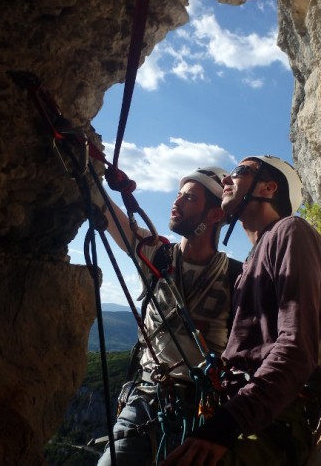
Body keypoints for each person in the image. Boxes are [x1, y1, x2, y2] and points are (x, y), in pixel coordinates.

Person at [162, 155, 321, 466]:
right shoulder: (251, 262)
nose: (227, 179)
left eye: (239, 171)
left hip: (272, 415)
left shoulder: (290, 232)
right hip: (249, 407)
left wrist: (227, 425)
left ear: (268, 188)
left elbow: (296, 347)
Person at [96, 166, 242, 466]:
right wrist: (91, 169)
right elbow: (109, 214)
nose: (176, 202)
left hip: (206, 405)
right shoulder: (157, 255)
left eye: (189, 198)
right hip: (149, 393)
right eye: (178, 195)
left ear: (215, 215)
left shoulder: (238, 276)